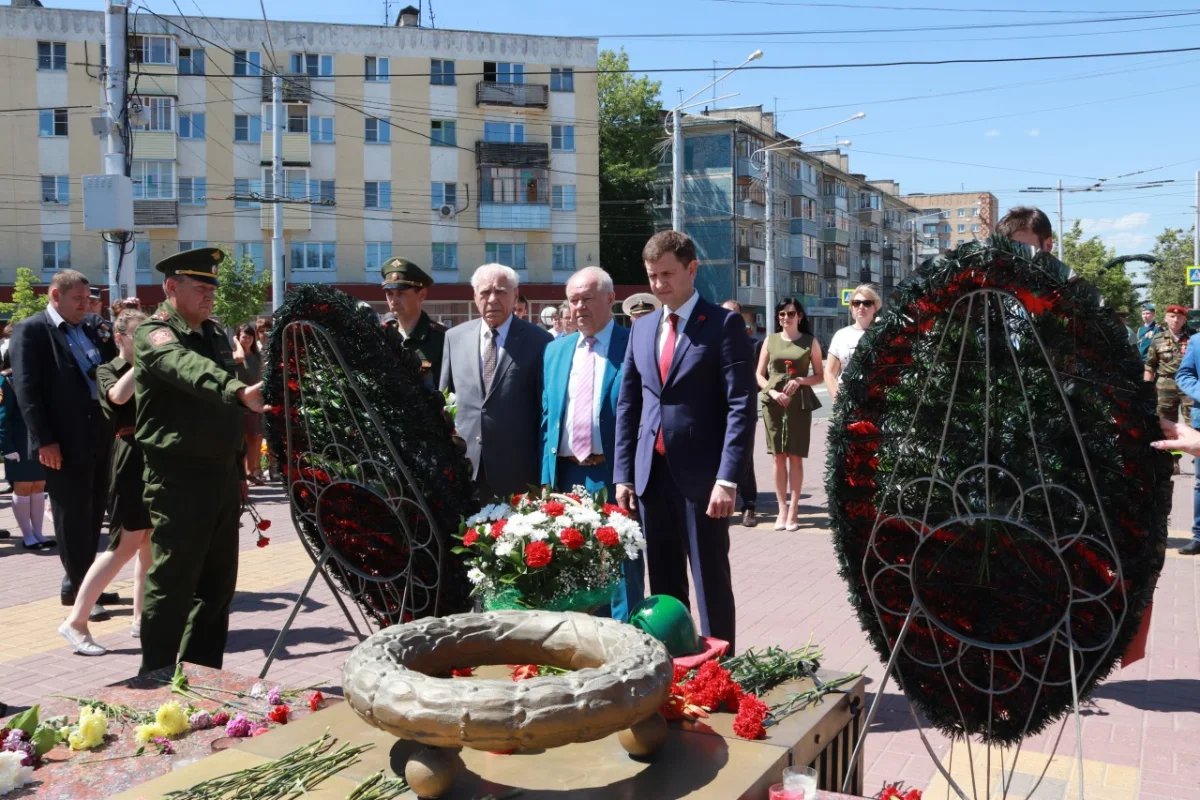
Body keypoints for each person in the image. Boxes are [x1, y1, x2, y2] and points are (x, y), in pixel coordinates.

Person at [614, 231, 756, 651]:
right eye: (652, 276)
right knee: (664, 587)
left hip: (703, 481)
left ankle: (720, 672)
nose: (658, 285)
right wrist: (624, 475)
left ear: (692, 269)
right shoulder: (641, 329)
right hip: (651, 478)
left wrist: (728, 478)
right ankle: (674, 670)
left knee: (711, 583)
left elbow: (741, 406)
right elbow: (629, 404)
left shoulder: (723, 325)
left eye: (667, 274)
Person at [135, 247, 267, 674]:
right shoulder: (155, 334)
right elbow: (186, 368)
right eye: (200, 287)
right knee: (172, 583)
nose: (209, 295)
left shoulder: (213, 332)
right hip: (178, 478)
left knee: (217, 587)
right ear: (171, 287)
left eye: (212, 287)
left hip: (221, 476)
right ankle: (155, 676)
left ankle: (203, 675)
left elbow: (225, 412)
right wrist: (237, 391)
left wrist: (239, 468)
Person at [10, 270, 117, 615]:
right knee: (72, 516)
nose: (85, 305)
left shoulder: (90, 329)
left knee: (93, 512)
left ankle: (79, 585)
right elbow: (27, 391)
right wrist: (45, 440)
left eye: (88, 299)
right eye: (78, 299)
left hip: (99, 433)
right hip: (62, 441)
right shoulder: (32, 330)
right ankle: (85, 594)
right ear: (55, 295)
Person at [541, 267, 644, 621]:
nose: (579, 307)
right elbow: (547, 419)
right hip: (567, 477)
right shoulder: (555, 351)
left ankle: (628, 642)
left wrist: (631, 475)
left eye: (587, 298)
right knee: (575, 568)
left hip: (613, 475)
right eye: (573, 300)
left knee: (622, 570)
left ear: (610, 299)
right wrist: (546, 480)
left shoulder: (633, 344)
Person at [58, 310, 154, 655]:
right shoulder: (106, 369)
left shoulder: (154, 367)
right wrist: (147, 359)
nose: (146, 342)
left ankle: (141, 619)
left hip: (156, 458)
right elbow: (118, 397)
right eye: (138, 336)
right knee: (124, 546)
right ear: (120, 338)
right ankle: (76, 622)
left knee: (150, 545)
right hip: (130, 457)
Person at [440, 263, 553, 501]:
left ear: (515, 295)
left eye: (500, 291)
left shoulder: (539, 340)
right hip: (465, 469)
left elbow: (546, 412)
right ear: (475, 297)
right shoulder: (454, 337)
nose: (492, 299)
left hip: (518, 470)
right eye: (485, 292)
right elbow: (444, 402)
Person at [757, 297, 823, 531]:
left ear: (800, 316)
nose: (786, 317)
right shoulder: (770, 340)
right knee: (778, 456)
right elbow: (759, 374)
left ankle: (794, 510)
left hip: (799, 404)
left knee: (795, 456)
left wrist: (800, 380)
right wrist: (773, 393)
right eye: (782, 314)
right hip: (773, 404)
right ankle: (781, 509)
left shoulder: (810, 342)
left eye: (791, 313)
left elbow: (820, 376)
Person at [0, 369, 50, 549]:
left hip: (40, 439)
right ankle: (27, 535)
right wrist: (7, 447)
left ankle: (38, 532)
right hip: (20, 442)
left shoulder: (40, 375)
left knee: (39, 485)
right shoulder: (6, 381)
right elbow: (3, 417)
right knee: (23, 487)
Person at [721, 299, 760, 527]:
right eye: (725, 314)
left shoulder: (753, 346)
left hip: (742, 411)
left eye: (734, 314)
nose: (730, 318)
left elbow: (759, 378)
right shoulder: (714, 342)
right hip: (717, 410)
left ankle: (749, 505)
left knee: (745, 457)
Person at [379, 257, 446, 389]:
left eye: (401, 293)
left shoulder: (443, 339)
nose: (394, 300)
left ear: (422, 295)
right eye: (390, 293)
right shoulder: (382, 336)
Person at [1146, 304, 1192, 475]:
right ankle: (1173, 460)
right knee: (1167, 425)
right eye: (1172, 316)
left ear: (1184, 320)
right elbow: (1150, 366)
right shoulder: (1157, 339)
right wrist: (1146, 389)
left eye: (1179, 317)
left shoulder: (1194, 338)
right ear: (1166, 318)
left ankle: (1197, 456)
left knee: (1195, 422)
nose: (1175, 319)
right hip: (1165, 386)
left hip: (1189, 385)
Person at [825, 284, 882, 403]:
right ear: (852, 307)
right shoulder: (841, 335)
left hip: (877, 399)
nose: (861, 307)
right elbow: (829, 372)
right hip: (848, 399)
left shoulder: (882, 334)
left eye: (866, 303)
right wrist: (838, 399)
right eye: (856, 303)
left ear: (875, 307)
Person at [232, 323, 266, 485]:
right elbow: (240, 357)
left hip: (256, 401)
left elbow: (262, 374)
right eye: (244, 337)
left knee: (255, 437)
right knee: (244, 438)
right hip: (241, 401)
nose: (248, 340)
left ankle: (253, 471)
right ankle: (244, 473)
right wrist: (236, 341)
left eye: (250, 337)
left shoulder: (257, 356)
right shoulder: (235, 354)